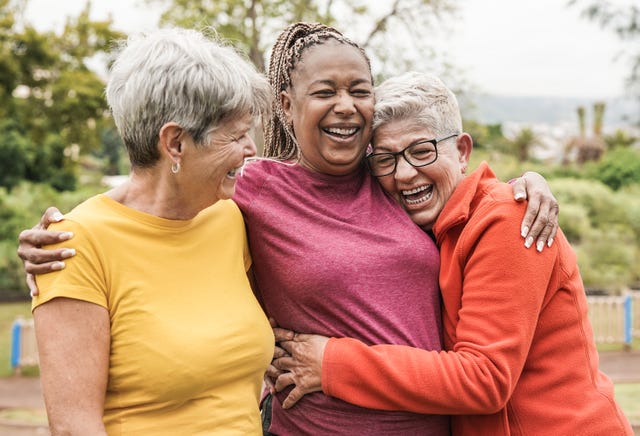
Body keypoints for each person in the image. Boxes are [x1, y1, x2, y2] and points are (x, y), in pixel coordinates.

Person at [18, 23, 560, 435]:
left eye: (359, 90)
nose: (345, 106)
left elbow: (458, 186)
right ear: (286, 104)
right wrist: (55, 235)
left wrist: (527, 185)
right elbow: (154, 203)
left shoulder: (393, 177)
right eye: (325, 91)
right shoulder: (247, 191)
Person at [267, 71, 634, 435]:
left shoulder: (507, 220)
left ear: (462, 151)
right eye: (385, 160)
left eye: (422, 151)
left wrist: (332, 363)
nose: (406, 173)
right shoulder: (427, 230)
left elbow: (484, 378)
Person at [29, 28, 275, 435]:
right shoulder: (73, 246)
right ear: (175, 143)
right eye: (236, 135)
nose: (251, 149)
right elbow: (75, 426)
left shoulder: (230, 217)